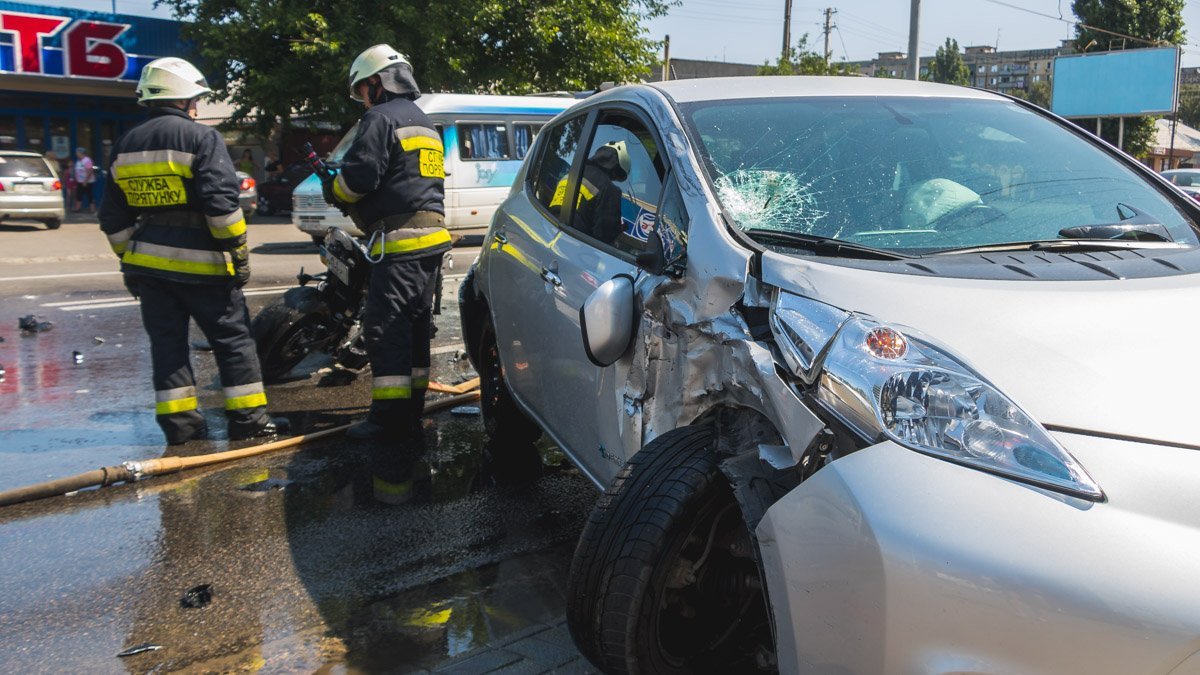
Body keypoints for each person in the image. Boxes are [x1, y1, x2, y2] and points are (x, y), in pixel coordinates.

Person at [98, 57, 286, 445]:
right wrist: (238, 254)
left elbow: (113, 218)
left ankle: (182, 428)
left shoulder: (125, 144)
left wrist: (129, 262)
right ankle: (249, 422)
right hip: (205, 268)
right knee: (233, 341)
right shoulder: (201, 138)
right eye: (195, 99)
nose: (198, 107)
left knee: (168, 347)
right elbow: (222, 208)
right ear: (182, 99)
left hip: (148, 271)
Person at [325, 44, 450, 441]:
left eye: (363, 89)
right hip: (431, 241)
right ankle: (410, 410)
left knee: (386, 328)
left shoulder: (379, 118)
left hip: (401, 245)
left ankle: (389, 420)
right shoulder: (425, 123)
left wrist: (335, 189)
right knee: (414, 327)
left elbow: (360, 178)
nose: (363, 98)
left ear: (376, 83)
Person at [550, 140, 630, 245]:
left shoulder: (573, 173)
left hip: (550, 232)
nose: (613, 179)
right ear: (616, 169)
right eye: (617, 175)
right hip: (575, 247)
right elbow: (604, 237)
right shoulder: (609, 189)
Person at [73, 147, 96, 213]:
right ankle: (78, 209)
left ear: (81, 153)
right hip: (80, 181)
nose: (76, 154)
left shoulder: (87, 160)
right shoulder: (79, 161)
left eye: (77, 153)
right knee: (79, 194)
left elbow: (89, 171)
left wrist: (85, 180)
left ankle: (92, 209)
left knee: (89, 195)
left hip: (87, 181)